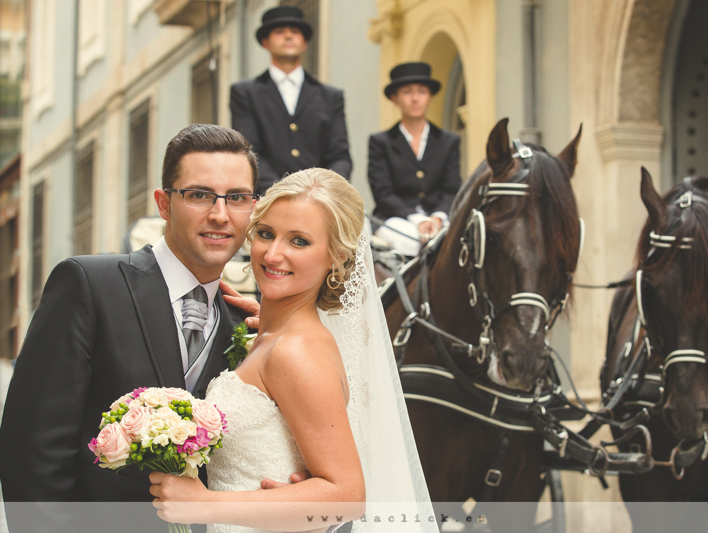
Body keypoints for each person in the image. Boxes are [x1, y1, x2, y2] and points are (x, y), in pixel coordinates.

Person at [0, 125, 259, 529]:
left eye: (237, 198)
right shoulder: (89, 284)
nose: (220, 214)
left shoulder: (245, 327)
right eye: (199, 195)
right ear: (164, 203)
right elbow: (31, 448)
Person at [149, 169, 434, 533]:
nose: (273, 253)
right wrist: (264, 326)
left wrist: (204, 503)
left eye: (299, 242)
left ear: (336, 256)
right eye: (266, 234)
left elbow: (347, 496)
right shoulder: (276, 339)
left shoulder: (295, 351)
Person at [231, 5, 352, 194]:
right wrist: (283, 192)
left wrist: (325, 190)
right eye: (279, 32)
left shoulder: (331, 96)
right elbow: (249, 152)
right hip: (267, 196)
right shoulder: (245, 93)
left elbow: (339, 154)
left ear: (305, 42)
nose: (288, 36)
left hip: (322, 198)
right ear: (265, 42)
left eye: (295, 32)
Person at [368, 62, 461, 256]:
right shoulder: (381, 142)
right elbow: (383, 193)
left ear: (430, 96)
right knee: (411, 243)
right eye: (407, 92)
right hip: (396, 219)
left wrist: (436, 218)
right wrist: (418, 220)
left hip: (439, 219)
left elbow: (452, 189)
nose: (415, 99)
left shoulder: (448, 141)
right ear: (395, 98)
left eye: (422, 91)